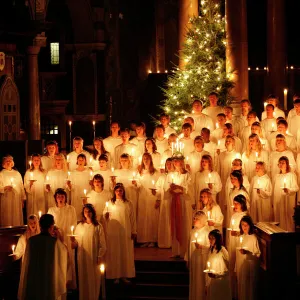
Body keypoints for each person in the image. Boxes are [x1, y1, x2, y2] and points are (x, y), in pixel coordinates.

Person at [18, 214, 68, 300]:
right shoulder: (55, 242)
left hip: (35, 280)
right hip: (50, 279)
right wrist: (61, 240)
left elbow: (27, 265)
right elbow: (64, 258)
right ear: (52, 226)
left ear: (40, 225)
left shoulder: (32, 241)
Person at [71, 204, 106, 300]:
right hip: (82, 257)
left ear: (93, 213)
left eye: (89, 211)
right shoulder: (79, 226)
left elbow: (102, 243)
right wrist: (73, 242)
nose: (88, 213)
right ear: (83, 213)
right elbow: (76, 244)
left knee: (93, 278)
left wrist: (99, 256)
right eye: (86, 211)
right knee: (83, 279)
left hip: (94, 257)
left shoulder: (98, 226)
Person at [104, 183, 136, 284]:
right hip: (113, 231)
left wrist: (133, 231)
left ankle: (124, 275)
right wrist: (106, 215)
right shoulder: (109, 203)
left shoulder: (128, 203)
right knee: (115, 253)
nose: (119, 192)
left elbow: (133, 219)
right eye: (117, 190)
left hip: (125, 231)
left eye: (121, 190)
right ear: (114, 192)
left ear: (123, 191)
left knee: (125, 252)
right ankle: (115, 275)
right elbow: (105, 216)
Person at [48, 188, 77, 290]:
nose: (60, 198)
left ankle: (69, 284)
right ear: (55, 198)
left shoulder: (71, 209)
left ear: (65, 198)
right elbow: (49, 224)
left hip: (68, 238)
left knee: (69, 260)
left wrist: (73, 237)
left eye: (62, 196)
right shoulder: (51, 210)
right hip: (56, 238)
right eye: (58, 196)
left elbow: (74, 223)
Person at [167, 154, 192, 258]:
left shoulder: (188, 175)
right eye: (177, 162)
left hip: (184, 202)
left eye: (181, 161)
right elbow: (167, 188)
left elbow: (189, 188)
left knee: (184, 224)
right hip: (174, 201)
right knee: (175, 224)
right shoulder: (171, 175)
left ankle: (184, 252)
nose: (179, 164)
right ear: (174, 163)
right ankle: (176, 251)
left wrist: (180, 188)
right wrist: (171, 188)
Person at [135, 153, 160, 247]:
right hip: (142, 197)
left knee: (152, 217)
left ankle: (153, 240)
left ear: (151, 160)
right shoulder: (140, 172)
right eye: (144, 158)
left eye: (147, 158)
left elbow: (159, 185)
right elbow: (138, 184)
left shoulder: (155, 172)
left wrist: (158, 198)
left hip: (152, 197)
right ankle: (144, 240)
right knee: (143, 218)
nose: (145, 160)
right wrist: (135, 184)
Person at [227, 195, 248, 298]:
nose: (234, 205)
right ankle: (232, 292)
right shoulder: (233, 215)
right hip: (232, 243)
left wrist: (238, 233)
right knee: (231, 266)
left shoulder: (244, 216)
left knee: (238, 267)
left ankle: (240, 294)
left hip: (240, 242)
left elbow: (246, 231)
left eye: (237, 203)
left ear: (242, 204)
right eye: (234, 203)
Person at [236, 215, 261, 300]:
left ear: (250, 226)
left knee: (250, 289)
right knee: (243, 288)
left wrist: (249, 253)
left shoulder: (253, 238)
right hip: (242, 266)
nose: (244, 227)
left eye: (246, 225)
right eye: (243, 224)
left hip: (251, 268)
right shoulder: (241, 237)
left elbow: (258, 254)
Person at [187, 211, 210, 300]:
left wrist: (201, 247)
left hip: (202, 261)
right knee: (194, 281)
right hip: (194, 260)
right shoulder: (192, 232)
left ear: (202, 221)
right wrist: (188, 259)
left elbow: (210, 247)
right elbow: (189, 246)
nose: (194, 220)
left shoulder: (207, 232)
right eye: (194, 218)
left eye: (197, 219)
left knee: (200, 281)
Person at [273, 156, 299, 231]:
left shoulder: (291, 175)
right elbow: (275, 191)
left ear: (287, 164)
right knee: (279, 218)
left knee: (288, 218)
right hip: (278, 202)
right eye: (280, 163)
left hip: (288, 202)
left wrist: (289, 190)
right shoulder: (277, 176)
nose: (281, 164)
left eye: (283, 163)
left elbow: (296, 188)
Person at [205, 229, 231, 300]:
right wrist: (207, 284)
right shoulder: (211, 250)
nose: (210, 240)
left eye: (213, 238)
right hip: (213, 281)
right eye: (209, 238)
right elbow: (208, 267)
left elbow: (228, 266)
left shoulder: (223, 250)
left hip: (221, 281)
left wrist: (218, 275)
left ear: (218, 239)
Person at [0, 155, 26, 226]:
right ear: (4, 163)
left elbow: (21, 186)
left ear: (12, 162)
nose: (8, 162)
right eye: (7, 161)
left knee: (16, 214)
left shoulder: (17, 173)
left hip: (16, 198)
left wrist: (22, 199)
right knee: (7, 215)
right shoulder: (1, 174)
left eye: (10, 161)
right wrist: (5, 188)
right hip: (6, 198)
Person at [67, 153, 91, 220]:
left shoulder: (89, 172)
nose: (80, 162)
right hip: (76, 195)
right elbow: (70, 188)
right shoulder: (73, 173)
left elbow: (91, 184)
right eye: (79, 160)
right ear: (77, 161)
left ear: (85, 161)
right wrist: (69, 185)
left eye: (82, 160)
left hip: (85, 195)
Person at [156, 158, 174, 248]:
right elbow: (158, 188)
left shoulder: (175, 175)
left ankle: (173, 242)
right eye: (167, 164)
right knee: (165, 220)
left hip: (174, 201)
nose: (169, 165)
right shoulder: (162, 176)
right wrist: (156, 195)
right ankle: (165, 242)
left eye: (171, 164)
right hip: (164, 202)